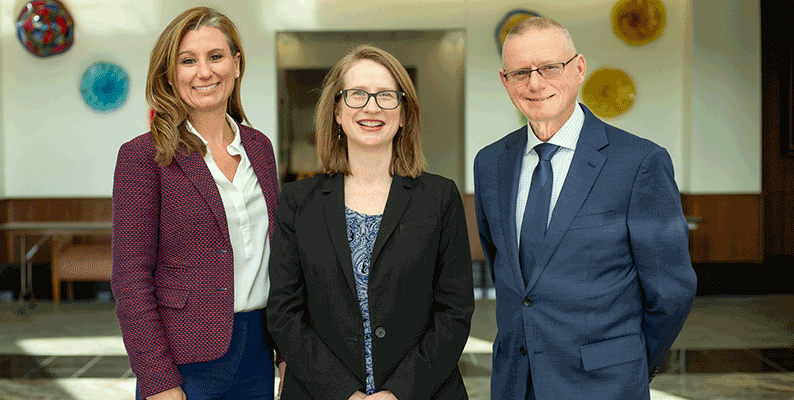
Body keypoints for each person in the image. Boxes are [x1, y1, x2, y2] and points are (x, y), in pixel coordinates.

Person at [474, 17, 697, 400]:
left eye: (549, 67)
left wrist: (629, 363)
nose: (535, 83)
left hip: (605, 384)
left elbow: (670, 290)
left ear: (578, 69)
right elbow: (507, 271)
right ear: (504, 80)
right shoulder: (490, 163)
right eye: (520, 72)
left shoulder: (639, 162)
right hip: (514, 381)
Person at [267, 45, 474, 400]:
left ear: (405, 112)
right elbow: (284, 313)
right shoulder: (297, 201)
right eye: (357, 95)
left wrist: (397, 393)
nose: (372, 106)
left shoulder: (440, 198)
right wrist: (345, 393)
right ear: (336, 110)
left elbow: (454, 312)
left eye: (386, 96)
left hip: (423, 391)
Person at [111, 7, 281, 400]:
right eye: (188, 60)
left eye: (216, 57)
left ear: (236, 65)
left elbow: (279, 260)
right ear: (171, 75)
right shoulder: (143, 157)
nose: (204, 72)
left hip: (258, 352)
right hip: (183, 362)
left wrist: (286, 353)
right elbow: (131, 279)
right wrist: (159, 381)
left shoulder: (259, 148)